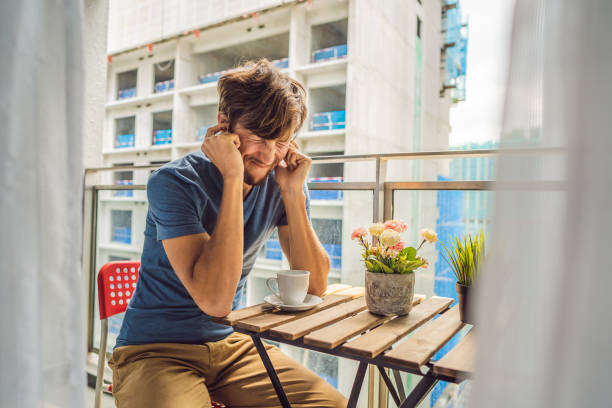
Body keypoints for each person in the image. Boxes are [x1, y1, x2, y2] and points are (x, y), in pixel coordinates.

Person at [108, 59, 347, 408]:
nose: (268, 155)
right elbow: (216, 301)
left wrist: (293, 194)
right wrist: (233, 177)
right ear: (224, 124)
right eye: (259, 138)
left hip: (233, 344)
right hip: (153, 350)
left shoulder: (280, 180)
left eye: (282, 141)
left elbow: (314, 286)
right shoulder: (173, 182)